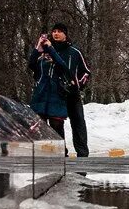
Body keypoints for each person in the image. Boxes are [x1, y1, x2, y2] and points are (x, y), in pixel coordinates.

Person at [39, 23, 91, 156]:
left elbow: (86, 72)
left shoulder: (74, 52)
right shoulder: (46, 51)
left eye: (60, 31)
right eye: (54, 31)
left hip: (72, 95)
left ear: (65, 34)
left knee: (78, 124)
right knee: (56, 127)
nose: (56, 34)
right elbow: (37, 68)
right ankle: (62, 155)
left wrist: (77, 85)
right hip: (55, 96)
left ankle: (83, 158)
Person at [27, 30, 70, 141]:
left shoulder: (60, 56)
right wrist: (38, 48)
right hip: (40, 95)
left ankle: (61, 152)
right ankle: (43, 153)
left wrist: (52, 50)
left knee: (57, 126)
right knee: (40, 127)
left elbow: (63, 66)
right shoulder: (41, 58)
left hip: (56, 96)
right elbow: (31, 64)